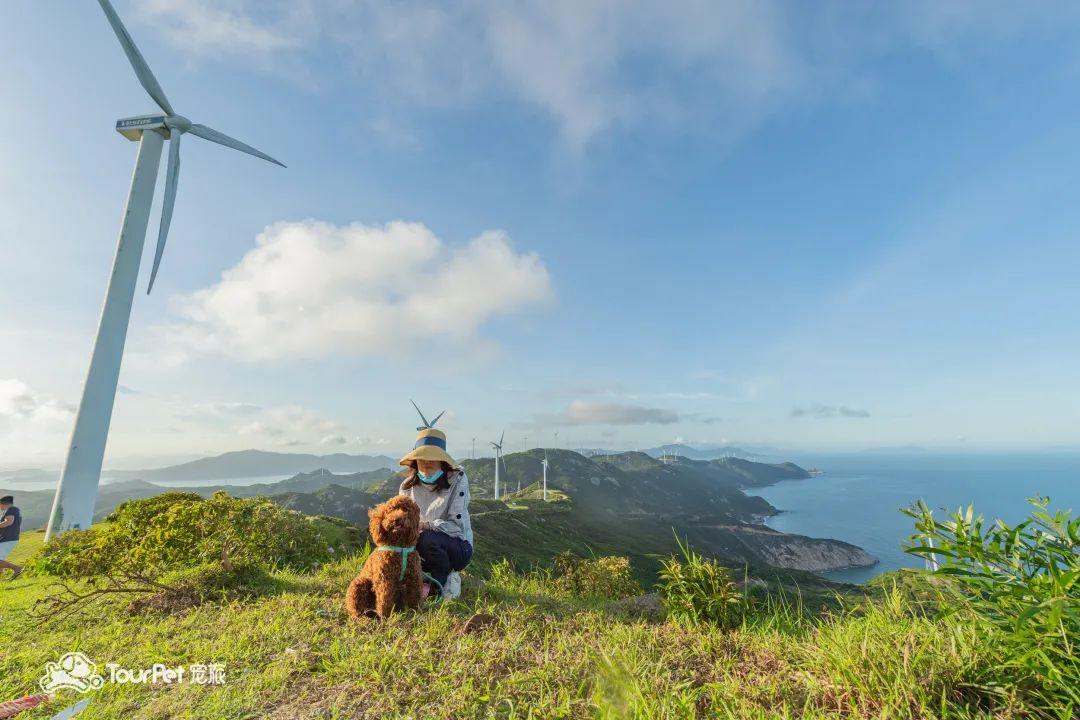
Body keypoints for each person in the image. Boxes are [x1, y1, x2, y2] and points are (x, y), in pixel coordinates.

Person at [397, 427, 472, 600]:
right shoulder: (407, 487)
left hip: (458, 546)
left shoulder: (457, 480)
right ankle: (418, 579)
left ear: (442, 460)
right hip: (420, 544)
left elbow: (456, 528)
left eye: (433, 457)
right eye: (421, 457)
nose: (426, 462)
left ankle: (441, 584)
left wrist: (424, 525)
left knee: (427, 538)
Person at [0, 495, 23, 581]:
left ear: (4, 504)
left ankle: (17, 568)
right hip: (8, 538)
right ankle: (2, 579)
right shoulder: (15, 510)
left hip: (8, 539)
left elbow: (9, 522)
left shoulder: (11, 510)